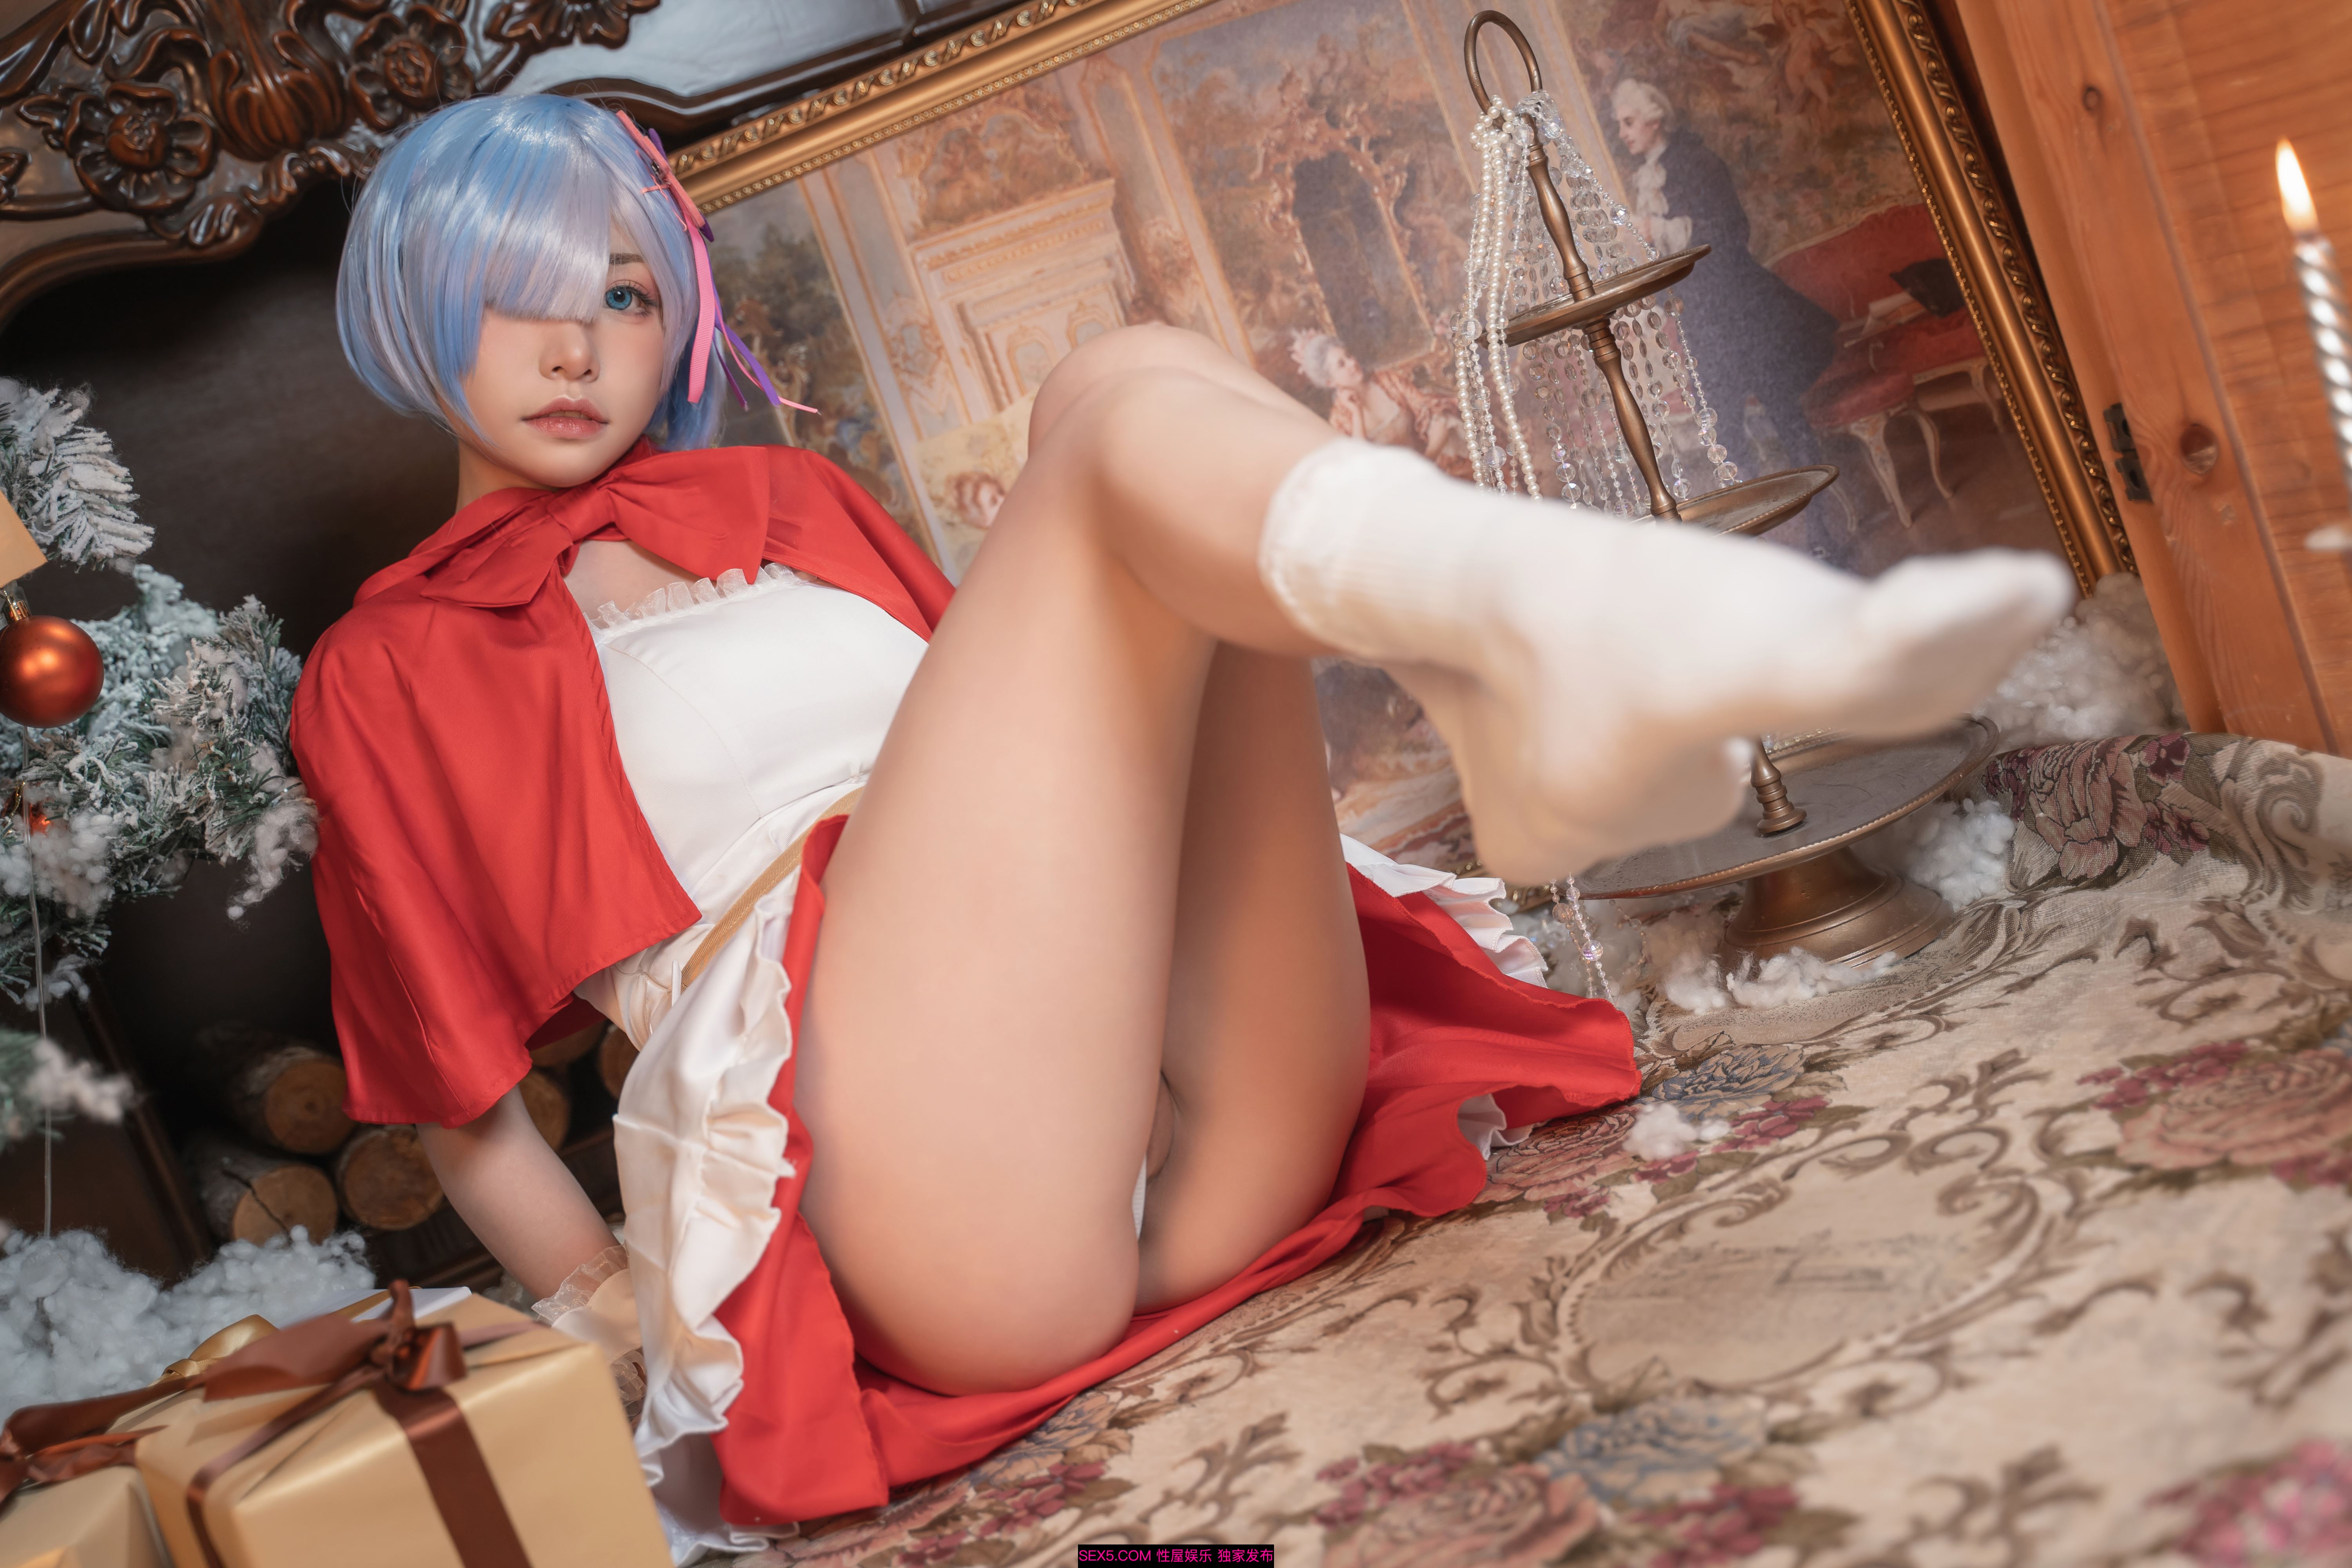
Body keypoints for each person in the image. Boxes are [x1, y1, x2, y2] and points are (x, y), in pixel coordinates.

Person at [293, 94, 2070, 1552]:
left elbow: (1045, 767)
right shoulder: (388, 665)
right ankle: (1514, 622)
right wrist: (650, 1353)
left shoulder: (785, 498)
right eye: (514, 300)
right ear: (409, 314)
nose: (578, 347)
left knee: (1128, 373)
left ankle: (1514, 623)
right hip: (949, 1220)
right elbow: (461, 1111)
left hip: (1209, 1122)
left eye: (621, 294)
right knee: (1100, 419)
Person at [1612, 78, 1838, 476]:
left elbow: (1733, 230)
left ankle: (1821, 512)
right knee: (1724, 425)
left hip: (1740, 307)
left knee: (1783, 410)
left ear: (1655, 120)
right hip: (1701, 316)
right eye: (1620, 125)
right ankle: (1756, 511)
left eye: (1629, 122)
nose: (1623, 133)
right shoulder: (1648, 176)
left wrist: (1660, 229)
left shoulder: (1698, 163)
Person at [1290, 328, 1474, 479]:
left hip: (1431, 467)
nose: (1352, 363)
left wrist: (1427, 461)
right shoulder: (1340, 419)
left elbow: (1436, 415)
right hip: (1393, 489)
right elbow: (1361, 465)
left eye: (1349, 356)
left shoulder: (1387, 381)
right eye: (1342, 364)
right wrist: (1357, 412)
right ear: (1330, 382)